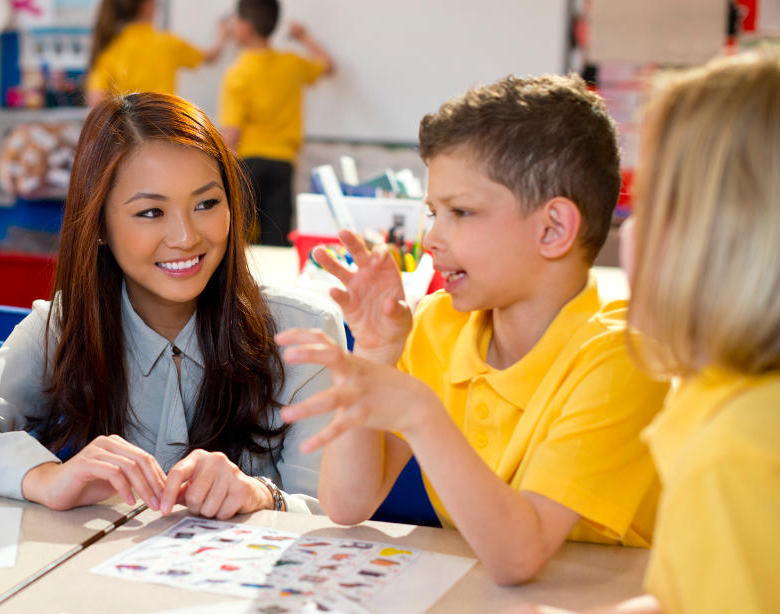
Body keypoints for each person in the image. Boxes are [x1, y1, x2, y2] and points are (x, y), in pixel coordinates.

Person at [454, 49, 780, 614]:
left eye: (656, 203)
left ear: (726, 242)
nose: (629, 230)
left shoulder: (739, 454)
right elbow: (711, 600)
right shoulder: (731, 401)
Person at [277, 74, 668, 584]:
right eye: (432, 212)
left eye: (461, 212)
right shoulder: (440, 325)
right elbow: (347, 503)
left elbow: (520, 555)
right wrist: (375, 353)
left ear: (553, 229)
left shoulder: (623, 357)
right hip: (481, 613)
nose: (432, 239)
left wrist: (420, 411)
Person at [0, 92, 343, 517]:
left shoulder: (305, 332)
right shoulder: (68, 326)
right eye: (151, 212)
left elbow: (332, 512)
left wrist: (262, 496)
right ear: (98, 224)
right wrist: (45, 477)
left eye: (207, 204)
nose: (186, 236)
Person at [219, 0, 334, 246]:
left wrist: (220, 171)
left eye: (235, 20)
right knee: (276, 238)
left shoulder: (238, 73)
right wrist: (304, 37)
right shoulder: (291, 63)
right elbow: (327, 66)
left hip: (248, 164)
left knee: (240, 239)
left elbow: (232, 132)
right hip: (283, 162)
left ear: (245, 27)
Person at [85, 0, 225, 105]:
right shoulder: (168, 44)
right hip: (165, 128)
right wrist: (222, 34)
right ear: (148, 4)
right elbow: (211, 56)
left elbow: (96, 100)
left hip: (127, 130)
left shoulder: (108, 47)